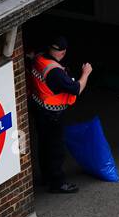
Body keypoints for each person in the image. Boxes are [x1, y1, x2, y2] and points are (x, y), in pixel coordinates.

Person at [26, 35, 91, 194]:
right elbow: (76, 88)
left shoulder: (39, 58)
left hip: (39, 108)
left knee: (44, 144)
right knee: (56, 149)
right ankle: (57, 182)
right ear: (63, 52)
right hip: (52, 115)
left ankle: (46, 176)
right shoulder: (55, 72)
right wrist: (86, 73)